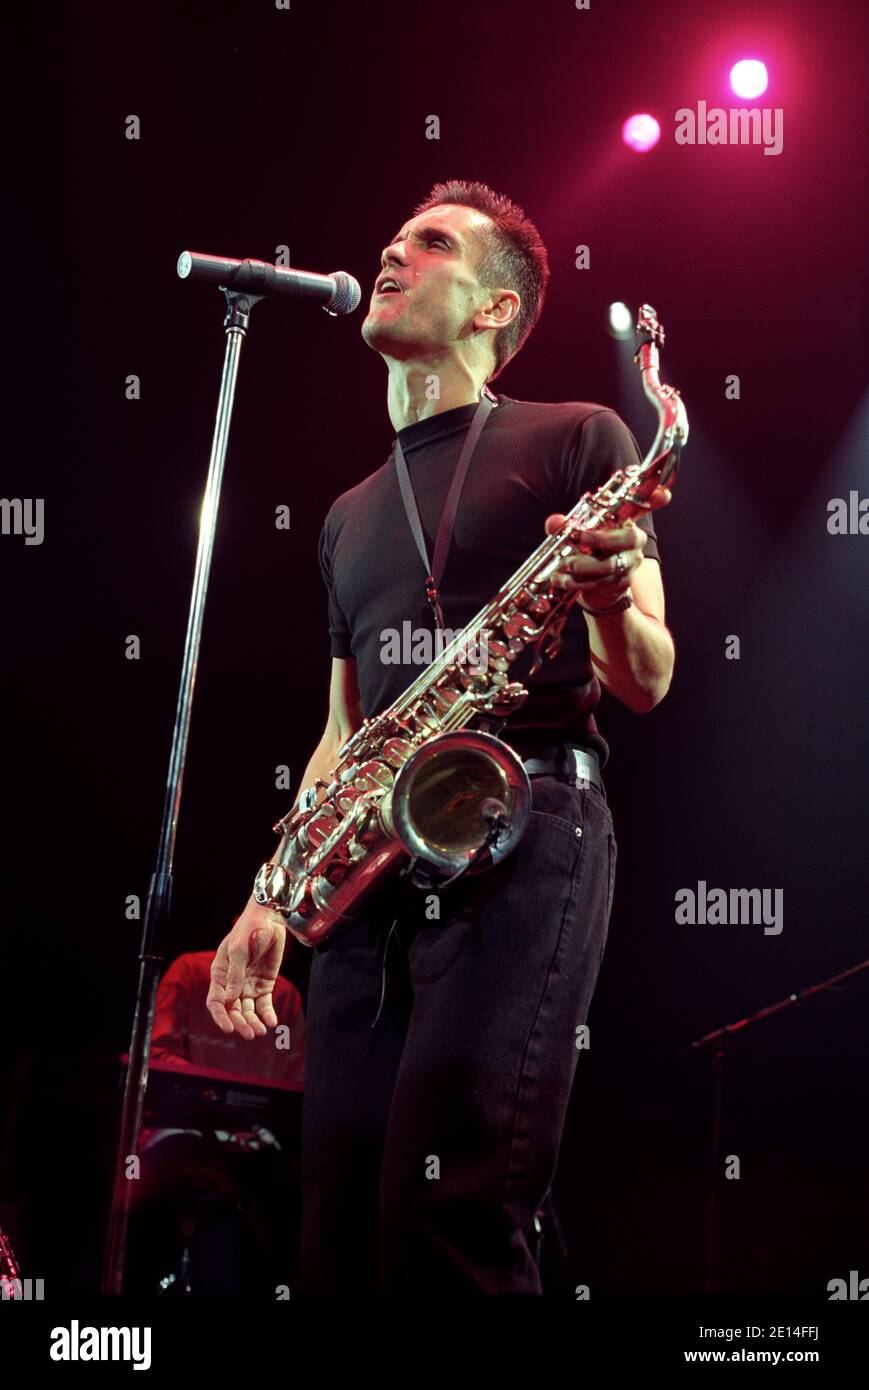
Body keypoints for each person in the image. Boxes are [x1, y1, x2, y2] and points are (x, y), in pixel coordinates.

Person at [207, 180, 674, 1294]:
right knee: (339, 1227)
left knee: (449, 1207)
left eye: (427, 243)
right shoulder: (345, 512)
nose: (389, 252)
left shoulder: (580, 435)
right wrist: (269, 897)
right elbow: (342, 731)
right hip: (370, 861)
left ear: (493, 310)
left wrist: (608, 596)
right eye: (391, 238)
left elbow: (646, 677)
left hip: (525, 824)